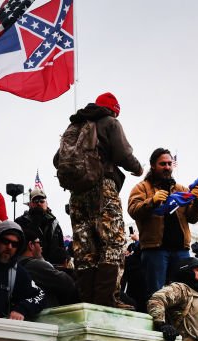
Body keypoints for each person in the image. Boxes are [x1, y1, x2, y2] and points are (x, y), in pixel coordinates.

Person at [56, 92, 143, 308]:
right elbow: (123, 154)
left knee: (84, 246)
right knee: (112, 241)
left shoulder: (74, 127)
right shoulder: (110, 122)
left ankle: (87, 299)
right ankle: (106, 300)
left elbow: (57, 159)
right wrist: (138, 168)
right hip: (103, 187)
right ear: (114, 109)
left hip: (76, 192)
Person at [127, 148, 198, 295]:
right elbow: (133, 210)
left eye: (169, 164)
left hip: (181, 251)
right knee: (156, 294)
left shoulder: (181, 189)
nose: (167, 167)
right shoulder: (142, 188)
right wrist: (152, 202)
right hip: (155, 250)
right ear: (153, 165)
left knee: (182, 293)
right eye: (163, 164)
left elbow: (193, 218)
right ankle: (158, 319)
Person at [0, 221, 46, 321]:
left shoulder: (16, 272)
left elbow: (40, 295)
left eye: (15, 244)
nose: (9, 247)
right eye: (5, 241)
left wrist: (21, 309)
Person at [16, 226, 78, 310]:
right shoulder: (35, 265)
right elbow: (68, 283)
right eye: (39, 242)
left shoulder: (16, 264)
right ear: (31, 245)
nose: (41, 247)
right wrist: (43, 260)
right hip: (46, 316)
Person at [16, 189, 67, 267]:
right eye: (35, 201)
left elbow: (61, 247)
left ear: (46, 203)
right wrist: (35, 222)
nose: (39, 203)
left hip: (54, 268)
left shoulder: (55, 224)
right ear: (29, 204)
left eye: (42, 201)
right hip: (30, 267)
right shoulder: (21, 222)